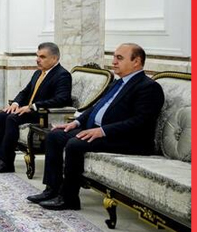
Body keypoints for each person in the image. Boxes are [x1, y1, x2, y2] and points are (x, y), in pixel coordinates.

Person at [36, 43, 164, 210]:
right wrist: (76, 123)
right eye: (114, 57)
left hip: (127, 139)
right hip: (101, 131)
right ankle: (51, 189)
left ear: (136, 62)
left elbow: (141, 122)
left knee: (75, 144)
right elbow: (96, 107)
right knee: (54, 135)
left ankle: (69, 199)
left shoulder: (148, 87)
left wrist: (102, 131)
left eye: (119, 58)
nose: (114, 62)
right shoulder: (117, 83)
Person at [0, 42, 72, 173]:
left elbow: (62, 99)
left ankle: (6, 162)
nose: (37, 60)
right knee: (3, 114)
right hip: (30, 110)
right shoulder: (38, 73)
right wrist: (15, 103)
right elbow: (25, 92)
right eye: (37, 56)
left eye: (42, 57)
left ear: (54, 58)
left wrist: (33, 106)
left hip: (44, 114)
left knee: (12, 119)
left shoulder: (62, 75)